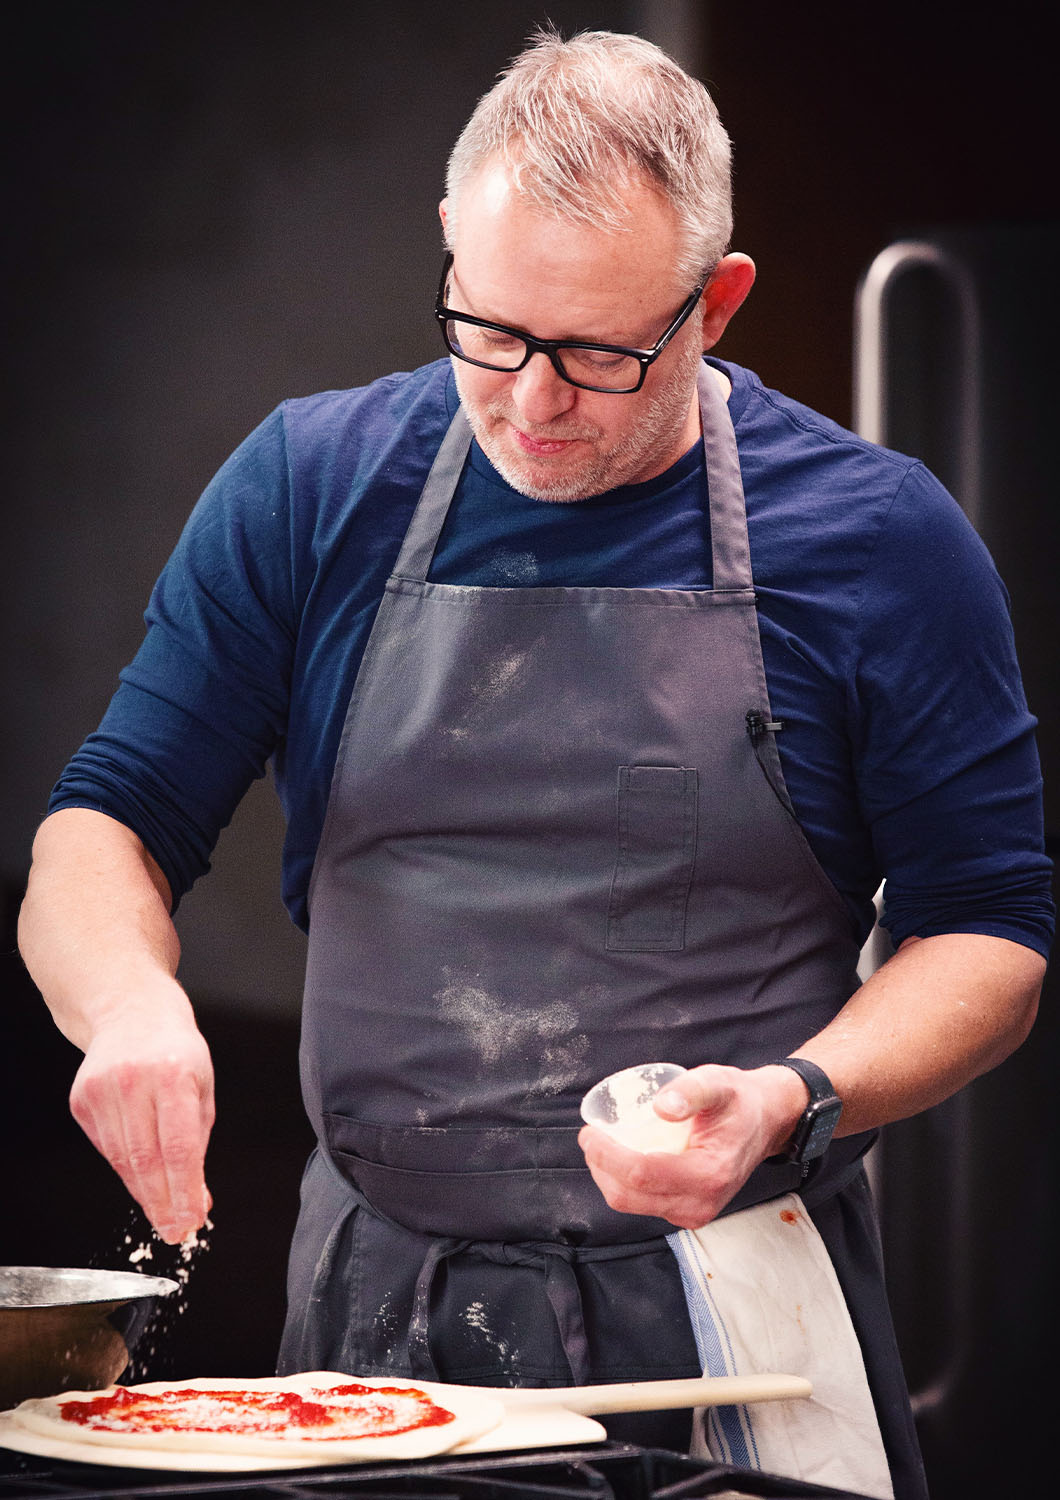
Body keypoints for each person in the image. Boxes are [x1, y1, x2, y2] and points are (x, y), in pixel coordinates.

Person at [18, 27, 1051, 1500]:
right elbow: (102, 823)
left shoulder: (882, 539)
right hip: (377, 1336)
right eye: (490, 332)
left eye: (600, 353)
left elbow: (992, 932)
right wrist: (123, 1005)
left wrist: (791, 1098)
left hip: (734, 1306)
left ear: (718, 303)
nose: (531, 401)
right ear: (449, 246)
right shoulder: (311, 488)